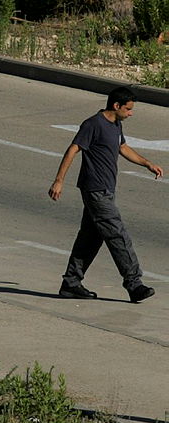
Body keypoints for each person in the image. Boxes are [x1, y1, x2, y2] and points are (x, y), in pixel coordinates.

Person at [48, 86, 163, 303]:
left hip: (106, 190)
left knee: (90, 238)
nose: (131, 113)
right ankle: (134, 283)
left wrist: (147, 163)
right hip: (95, 190)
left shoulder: (115, 124)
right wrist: (59, 180)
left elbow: (123, 147)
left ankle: (71, 283)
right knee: (118, 235)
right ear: (116, 106)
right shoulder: (93, 124)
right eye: (128, 109)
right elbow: (73, 149)